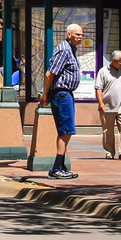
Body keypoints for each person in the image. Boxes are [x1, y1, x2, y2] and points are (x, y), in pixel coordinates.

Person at [45, 22, 85, 179]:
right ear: (69, 35)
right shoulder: (64, 50)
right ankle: (56, 168)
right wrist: (45, 95)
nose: (80, 37)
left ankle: (60, 166)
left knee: (66, 131)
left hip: (66, 94)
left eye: (81, 34)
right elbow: (50, 74)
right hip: (61, 94)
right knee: (66, 130)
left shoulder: (70, 50)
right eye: (77, 34)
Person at [96, 51, 121, 159]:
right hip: (107, 105)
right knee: (108, 130)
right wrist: (101, 103)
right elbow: (98, 88)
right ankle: (109, 152)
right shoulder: (103, 71)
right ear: (113, 61)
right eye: (120, 62)